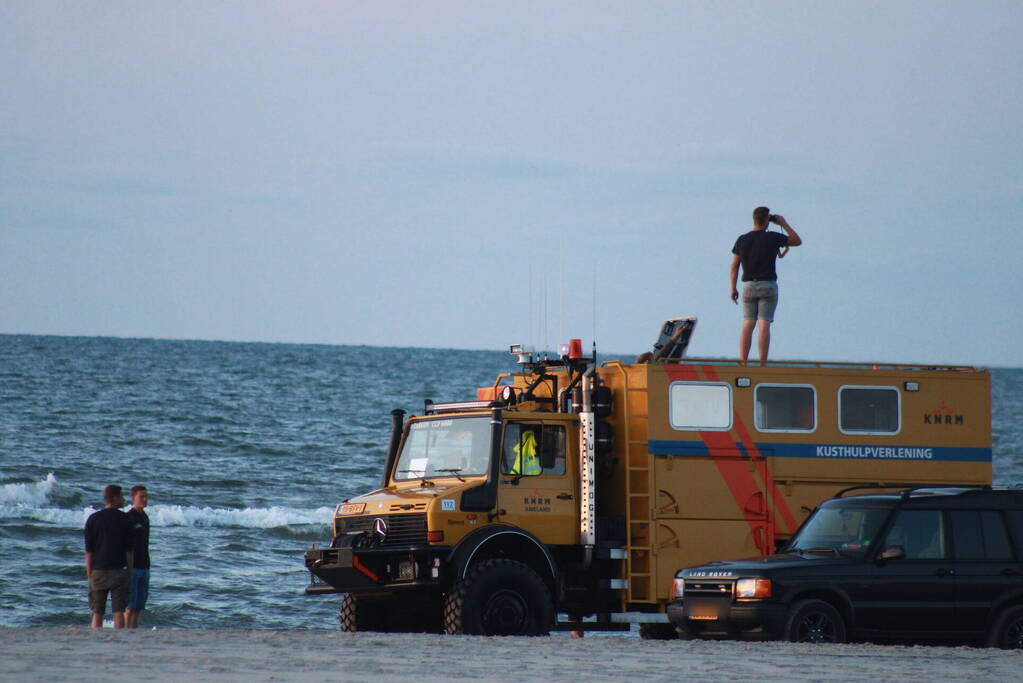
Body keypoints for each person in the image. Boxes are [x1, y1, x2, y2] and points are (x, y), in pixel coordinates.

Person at [729, 207, 802, 364]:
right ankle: (762, 363)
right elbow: (797, 241)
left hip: (748, 285)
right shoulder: (773, 237)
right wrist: (783, 223)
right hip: (768, 285)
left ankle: (743, 362)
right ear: (767, 220)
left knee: (748, 323)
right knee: (764, 324)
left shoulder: (742, 239)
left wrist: (733, 288)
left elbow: (734, 266)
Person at [84, 484, 134, 628]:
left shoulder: (93, 519)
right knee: (118, 611)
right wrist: (129, 571)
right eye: (121, 496)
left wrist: (89, 573)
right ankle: (118, 642)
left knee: (97, 611)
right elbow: (129, 551)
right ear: (114, 498)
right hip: (118, 570)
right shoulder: (126, 519)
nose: (124, 499)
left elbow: (89, 551)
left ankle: (95, 640)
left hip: (98, 570)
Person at [125, 485, 150, 629]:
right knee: (130, 606)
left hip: (145, 565)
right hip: (133, 567)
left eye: (146, 496)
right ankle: (126, 632)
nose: (145, 499)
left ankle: (134, 632)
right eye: (141, 496)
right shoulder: (129, 517)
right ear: (133, 498)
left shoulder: (145, 517)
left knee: (139, 606)